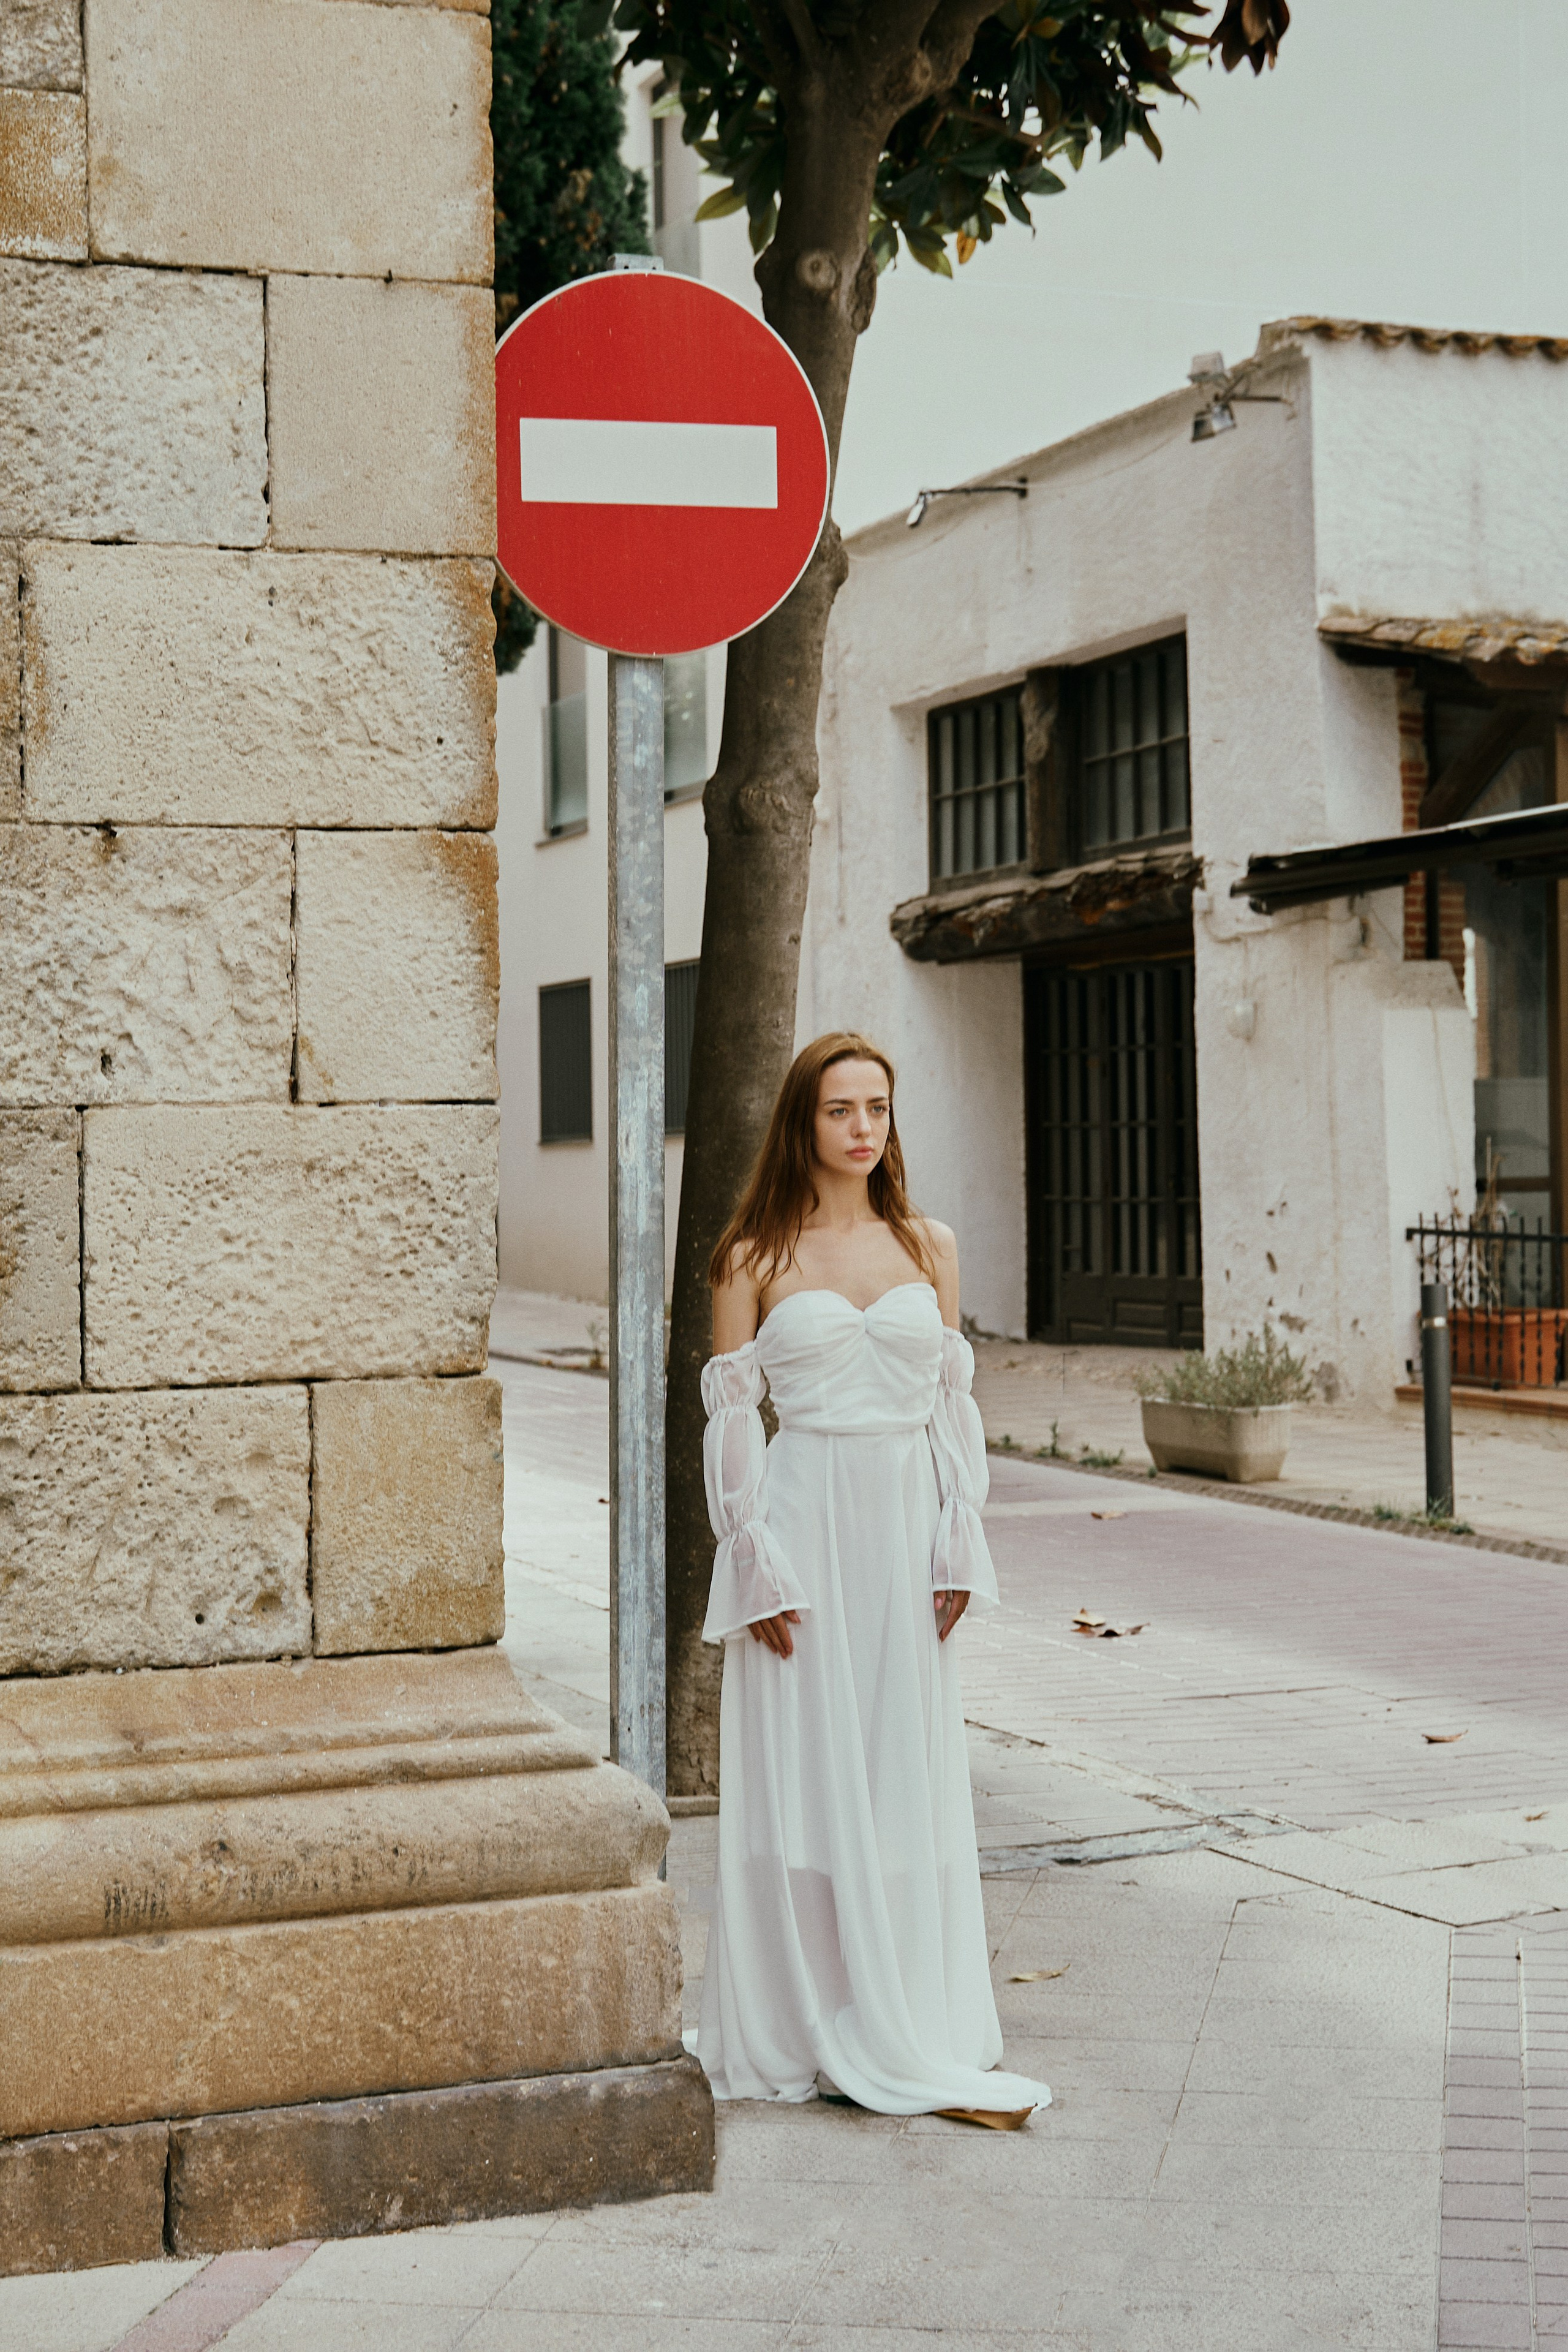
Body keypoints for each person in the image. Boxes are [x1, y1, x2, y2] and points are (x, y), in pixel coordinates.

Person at [693, 1030, 1050, 2128]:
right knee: (806, 1770)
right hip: (802, 1529)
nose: (862, 1128)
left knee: (902, 1763)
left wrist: (959, 1538)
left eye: (878, 1108)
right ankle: (805, 2015)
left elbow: (950, 1405)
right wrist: (753, 1563)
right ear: (802, 1122)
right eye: (840, 1109)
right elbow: (731, 1417)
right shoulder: (751, 1256)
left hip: (904, 1529)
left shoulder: (928, 1245)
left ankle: (908, 2011)